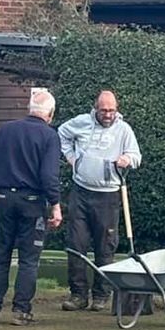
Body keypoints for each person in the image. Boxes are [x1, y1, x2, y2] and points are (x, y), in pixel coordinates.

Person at [0, 87, 64, 326]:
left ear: (29, 109)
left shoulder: (6, 130)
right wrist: (55, 204)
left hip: (4, 199)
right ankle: (21, 310)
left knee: (0, 255)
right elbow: (48, 175)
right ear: (50, 114)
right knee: (28, 258)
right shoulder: (49, 136)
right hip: (32, 202)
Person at [59, 90, 142, 311]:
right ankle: (78, 295)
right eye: (104, 110)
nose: (108, 115)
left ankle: (101, 295)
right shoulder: (81, 122)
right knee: (76, 244)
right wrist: (71, 158)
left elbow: (137, 157)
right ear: (95, 108)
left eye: (112, 110)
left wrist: (127, 159)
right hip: (80, 192)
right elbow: (62, 133)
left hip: (108, 196)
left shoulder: (124, 130)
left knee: (105, 246)